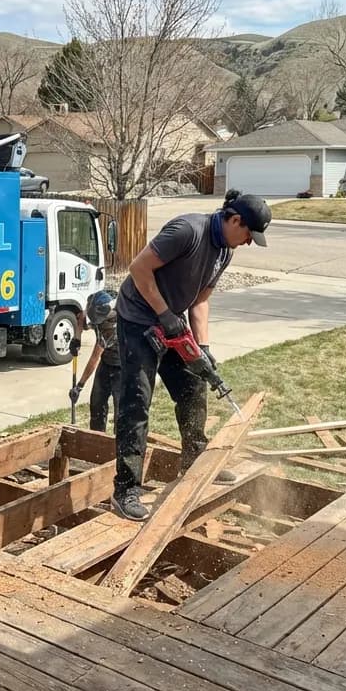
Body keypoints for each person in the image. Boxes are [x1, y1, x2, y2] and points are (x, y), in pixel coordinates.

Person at [110, 188, 271, 521]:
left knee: (194, 386)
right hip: (139, 317)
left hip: (171, 321)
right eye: (248, 235)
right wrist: (164, 314)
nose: (248, 242)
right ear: (235, 219)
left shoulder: (225, 251)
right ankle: (125, 490)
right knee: (136, 401)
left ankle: (194, 459)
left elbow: (200, 300)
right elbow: (138, 268)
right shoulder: (187, 231)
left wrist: (203, 347)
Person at [70, 290, 121, 432]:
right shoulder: (96, 301)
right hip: (106, 363)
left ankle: (118, 445)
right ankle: (97, 438)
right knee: (97, 404)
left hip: (123, 368)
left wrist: (79, 386)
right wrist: (77, 338)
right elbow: (81, 316)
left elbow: (94, 357)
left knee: (121, 412)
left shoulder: (112, 327)